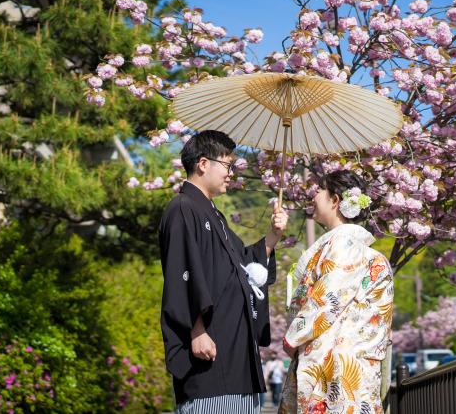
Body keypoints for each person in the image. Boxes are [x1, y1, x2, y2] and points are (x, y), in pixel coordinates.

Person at [159, 130, 289, 414]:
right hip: (210, 350)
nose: (232, 173)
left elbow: (244, 265)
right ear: (203, 164)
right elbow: (180, 272)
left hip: (235, 350)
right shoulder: (183, 208)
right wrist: (196, 329)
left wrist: (273, 235)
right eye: (228, 165)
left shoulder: (213, 214)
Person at [278, 170, 394, 414]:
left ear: (335, 200)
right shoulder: (360, 249)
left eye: (320, 190)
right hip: (352, 362)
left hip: (334, 363)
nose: (313, 197)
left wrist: (294, 337)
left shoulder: (343, 244)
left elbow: (327, 301)